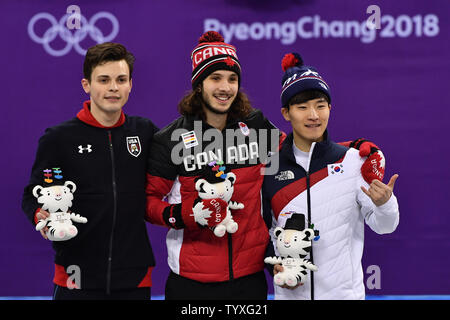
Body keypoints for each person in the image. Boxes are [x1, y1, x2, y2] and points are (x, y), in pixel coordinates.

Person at [144, 32, 384, 300]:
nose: (225, 87)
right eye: (216, 78)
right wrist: (189, 214)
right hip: (191, 283)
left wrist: (357, 148)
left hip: (250, 280)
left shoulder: (255, 126)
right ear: (198, 84)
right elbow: (148, 202)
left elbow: (301, 149)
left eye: (232, 79)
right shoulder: (171, 139)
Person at [22, 42, 158, 300]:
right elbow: (33, 195)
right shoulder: (58, 138)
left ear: (130, 84)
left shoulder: (145, 132)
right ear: (87, 85)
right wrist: (42, 216)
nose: (113, 88)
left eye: (121, 79)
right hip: (75, 273)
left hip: (134, 276)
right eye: (104, 80)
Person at [262, 52, 400, 300]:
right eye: (302, 107)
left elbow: (385, 227)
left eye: (320, 105)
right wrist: (274, 265)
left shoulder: (353, 161)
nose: (313, 115)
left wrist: (385, 203)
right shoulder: (269, 167)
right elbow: (263, 232)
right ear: (286, 113)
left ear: (330, 108)